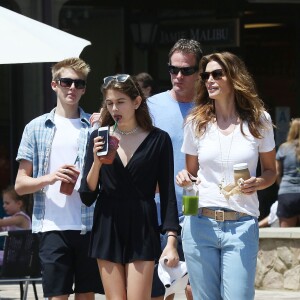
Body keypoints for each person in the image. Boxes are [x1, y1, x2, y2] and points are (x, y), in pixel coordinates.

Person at [175, 51, 277, 300]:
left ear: (233, 77)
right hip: (200, 222)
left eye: (217, 74)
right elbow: (191, 171)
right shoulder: (196, 122)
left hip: (242, 224)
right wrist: (184, 177)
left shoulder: (258, 120)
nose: (209, 80)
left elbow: (271, 171)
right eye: (205, 75)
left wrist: (259, 183)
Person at [79, 73, 180, 300]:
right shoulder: (98, 137)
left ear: (136, 102)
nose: (115, 108)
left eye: (121, 102)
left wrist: (171, 239)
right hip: (107, 223)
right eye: (110, 103)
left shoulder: (159, 140)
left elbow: (167, 193)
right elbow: (87, 196)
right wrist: (96, 162)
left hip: (142, 224)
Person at [14, 57, 103, 300]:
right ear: (54, 85)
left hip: (89, 225)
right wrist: (50, 178)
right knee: (57, 297)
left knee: (87, 296)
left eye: (79, 84)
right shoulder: (36, 127)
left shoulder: (94, 126)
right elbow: (20, 185)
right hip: (52, 227)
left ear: (84, 88)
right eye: (66, 82)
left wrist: (107, 126)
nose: (72, 88)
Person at [147, 38, 203, 300]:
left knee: (195, 289)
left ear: (199, 71)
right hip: (160, 213)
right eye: (173, 69)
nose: (178, 76)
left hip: (201, 210)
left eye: (186, 70)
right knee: (162, 289)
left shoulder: (210, 107)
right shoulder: (150, 107)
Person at [276, 118, 300, 227]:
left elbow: (277, 172)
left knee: (285, 235)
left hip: (287, 193)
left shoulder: (283, 148)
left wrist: (282, 185)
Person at [0, 185, 32, 265]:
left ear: (19, 203)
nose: (4, 206)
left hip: (18, 258)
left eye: (7, 203)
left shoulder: (21, 218)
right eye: (3, 203)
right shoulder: (12, 219)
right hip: (12, 256)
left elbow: (2, 223)